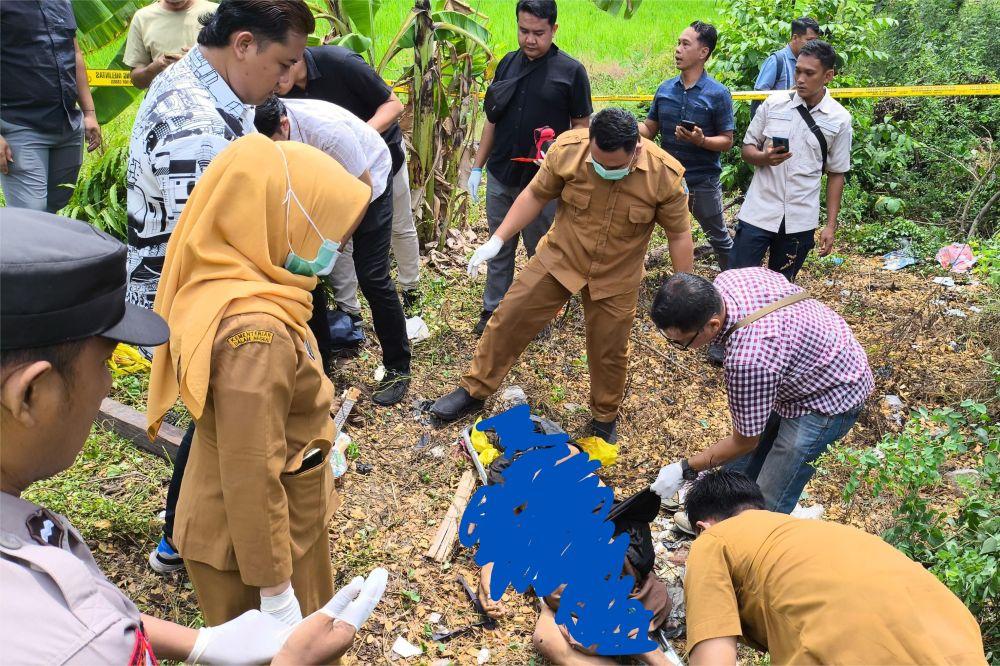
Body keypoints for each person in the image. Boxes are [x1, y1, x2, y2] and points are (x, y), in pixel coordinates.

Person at [0, 207, 387, 664]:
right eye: (103, 363)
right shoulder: (79, 650)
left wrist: (197, 642)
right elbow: (251, 462)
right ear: (30, 394)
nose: (108, 385)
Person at [145, 134, 370, 626]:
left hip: (257, 525)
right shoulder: (256, 333)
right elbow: (250, 468)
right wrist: (275, 590)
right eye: (324, 225)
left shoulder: (221, 277)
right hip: (256, 547)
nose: (334, 244)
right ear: (279, 218)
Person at [125, 0, 315, 576]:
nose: (286, 80)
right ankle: (186, 541)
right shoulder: (197, 127)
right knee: (221, 417)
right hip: (191, 299)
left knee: (215, 416)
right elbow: (212, 248)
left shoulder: (204, 87)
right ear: (242, 44)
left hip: (186, 286)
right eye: (282, 64)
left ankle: (183, 538)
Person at [431, 108, 694, 444]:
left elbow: (678, 234)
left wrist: (682, 285)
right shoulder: (568, 150)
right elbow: (535, 194)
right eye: (598, 162)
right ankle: (474, 389)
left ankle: (604, 416)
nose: (604, 170)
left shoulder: (665, 175)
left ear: (637, 149)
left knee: (609, 350)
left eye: (613, 167)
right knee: (509, 316)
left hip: (617, 273)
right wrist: (498, 239)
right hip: (561, 257)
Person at [681, 470, 986, 665]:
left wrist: (649, 652)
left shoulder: (713, 540)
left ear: (701, 527)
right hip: (960, 646)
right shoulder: (818, 534)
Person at [648, 269, 874, 514]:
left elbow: (744, 441)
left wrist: (684, 469)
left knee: (769, 498)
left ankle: (755, 538)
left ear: (712, 325)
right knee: (738, 469)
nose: (681, 347)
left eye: (681, 343)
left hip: (830, 394)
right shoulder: (729, 280)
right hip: (802, 361)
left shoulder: (748, 360)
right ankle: (722, 521)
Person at [255, 95, 412, 405]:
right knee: (306, 275)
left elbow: (361, 191)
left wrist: (334, 246)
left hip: (368, 182)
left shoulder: (327, 133)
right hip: (320, 185)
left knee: (372, 276)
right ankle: (321, 366)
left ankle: (398, 368)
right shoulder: (259, 124)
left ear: (284, 125)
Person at [467, 0, 592, 336]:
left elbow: (582, 128)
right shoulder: (507, 64)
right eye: (524, 31)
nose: (530, 39)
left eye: (539, 32)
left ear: (554, 29)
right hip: (502, 172)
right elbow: (492, 120)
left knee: (542, 249)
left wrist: (560, 154)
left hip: (545, 181)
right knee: (498, 243)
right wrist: (477, 167)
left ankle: (539, 315)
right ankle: (493, 309)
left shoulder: (571, 72)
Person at [279, 44, 421, 314]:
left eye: (281, 71)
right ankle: (349, 311)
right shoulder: (279, 97)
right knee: (336, 236)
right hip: (328, 172)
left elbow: (394, 105)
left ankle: (411, 290)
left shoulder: (340, 62)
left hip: (381, 157)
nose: (274, 82)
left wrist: (358, 138)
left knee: (400, 226)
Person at [730, 40, 852, 282]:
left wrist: (830, 225)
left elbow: (837, 173)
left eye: (809, 73)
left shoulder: (839, 119)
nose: (800, 79)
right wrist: (764, 158)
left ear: (828, 76)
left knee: (782, 288)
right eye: (798, 70)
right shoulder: (774, 104)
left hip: (800, 218)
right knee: (735, 281)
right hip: (759, 210)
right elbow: (746, 149)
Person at [640, 21, 734, 270]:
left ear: (703, 52)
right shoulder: (665, 89)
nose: (677, 49)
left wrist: (701, 141)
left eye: (685, 44)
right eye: (678, 43)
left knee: (719, 238)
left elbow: (727, 141)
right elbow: (650, 128)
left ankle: (735, 284)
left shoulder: (718, 93)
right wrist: (626, 126)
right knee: (642, 231)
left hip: (702, 181)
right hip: (665, 179)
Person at [0, 1, 102, 213]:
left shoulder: (61, 2)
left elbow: (75, 53)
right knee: (30, 217)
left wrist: (89, 113)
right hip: (21, 126)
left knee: (54, 211)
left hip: (67, 124)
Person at [124, 0, 218, 89]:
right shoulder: (142, 18)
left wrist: (199, 61)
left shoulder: (217, 13)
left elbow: (231, 67)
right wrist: (154, 69)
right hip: (166, 102)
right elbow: (136, 80)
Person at [750, 17, 821, 117]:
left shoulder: (813, 61)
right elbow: (759, 96)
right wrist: (788, 96)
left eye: (815, 41)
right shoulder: (776, 61)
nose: (813, 45)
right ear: (795, 38)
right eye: (809, 40)